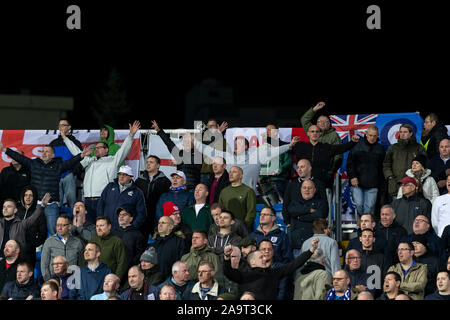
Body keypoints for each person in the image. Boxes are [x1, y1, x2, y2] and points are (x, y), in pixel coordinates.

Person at [0, 141, 90, 235]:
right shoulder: (34, 163)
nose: (44, 153)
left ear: (52, 155)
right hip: (35, 205)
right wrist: (4, 149)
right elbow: (19, 158)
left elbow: (70, 163)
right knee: (32, 230)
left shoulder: (58, 166)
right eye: (42, 151)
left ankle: (56, 248)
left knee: (54, 231)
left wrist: (81, 155)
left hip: (51, 205)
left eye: (47, 151)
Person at [61, 120, 141, 223]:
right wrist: (64, 138)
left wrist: (131, 135)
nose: (96, 149)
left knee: (103, 226)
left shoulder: (112, 161)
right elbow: (76, 151)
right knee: (90, 228)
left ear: (106, 150)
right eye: (96, 148)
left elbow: (124, 150)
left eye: (100, 148)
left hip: (103, 200)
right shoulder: (90, 161)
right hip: (88, 200)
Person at [223, 238, 319, 300]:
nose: (265, 259)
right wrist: (227, 257)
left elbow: (293, 265)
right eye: (261, 257)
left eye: (264, 257)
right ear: (252, 262)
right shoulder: (244, 275)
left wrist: (311, 251)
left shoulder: (274, 273)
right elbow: (228, 272)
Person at [290, 124, 360, 185]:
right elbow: (282, 148)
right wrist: (291, 145)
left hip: (321, 181)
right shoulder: (300, 146)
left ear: (320, 134)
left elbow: (341, 148)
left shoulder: (326, 147)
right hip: (303, 181)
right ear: (308, 133)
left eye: (317, 131)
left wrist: (352, 142)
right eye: (312, 131)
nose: (315, 133)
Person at [346, 124, 386, 216]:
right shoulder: (357, 146)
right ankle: (361, 224)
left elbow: (382, 167)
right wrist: (352, 177)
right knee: (358, 205)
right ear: (366, 134)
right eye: (370, 135)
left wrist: (381, 183)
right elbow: (350, 164)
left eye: (374, 136)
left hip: (373, 184)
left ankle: (367, 228)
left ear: (377, 136)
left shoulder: (380, 149)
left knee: (370, 207)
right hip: (357, 183)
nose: (372, 138)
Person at [151, 120, 202, 190]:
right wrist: (159, 130)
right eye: (185, 141)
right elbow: (169, 143)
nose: (186, 143)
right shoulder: (180, 154)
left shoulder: (199, 156)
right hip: (179, 188)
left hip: (192, 190)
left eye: (189, 141)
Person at [300, 101, 343, 185]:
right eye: (320, 121)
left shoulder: (334, 135)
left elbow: (338, 156)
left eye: (326, 121)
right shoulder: (313, 131)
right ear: (317, 123)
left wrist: (331, 171)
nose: (323, 123)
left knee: (325, 195)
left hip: (325, 172)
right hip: (310, 171)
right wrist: (314, 109)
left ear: (329, 124)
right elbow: (304, 120)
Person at [0, 193, 50, 263]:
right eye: (4, 207)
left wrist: (42, 206)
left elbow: (34, 217)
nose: (5, 209)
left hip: (16, 261)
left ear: (15, 210)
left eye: (9, 206)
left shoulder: (21, 224)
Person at [383, 123, 428, 199]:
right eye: (401, 132)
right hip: (396, 185)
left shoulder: (418, 148)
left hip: (413, 185)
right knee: (396, 209)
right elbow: (386, 164)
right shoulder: (393, 148)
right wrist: (390, 177)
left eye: (405, 132)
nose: (402, 134)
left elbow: (425, 164)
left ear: (410, 133)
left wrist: (418, 178)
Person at [97, 165, 147, 231]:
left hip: (124, 231)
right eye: (120, 174)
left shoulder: (137, 192)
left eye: (125, 175)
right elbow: (100, 205)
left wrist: (132, 227)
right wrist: (101, 222)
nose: (121, 177)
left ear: (130, 177)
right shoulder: (110, 187)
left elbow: (141, 213)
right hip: (107, 229)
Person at [286, 179, 328, 255]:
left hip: (315, 246)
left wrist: (301, 217)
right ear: (301, 189)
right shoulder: (294, 202)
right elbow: (291, 211)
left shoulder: (321, 202)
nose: (306, 190)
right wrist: (309, 210)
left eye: (309, 188)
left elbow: (320, 215)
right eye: (304, 187)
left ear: (314, 190)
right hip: (297, 246)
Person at [135, 155, 171, 240]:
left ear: (158, 165)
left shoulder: (165, 181)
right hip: (142, 218)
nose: (148, 164)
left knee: (157, 241)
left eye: (151, 162)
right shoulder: (139, 180)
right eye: (147, 162)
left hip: (157, 218)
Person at [50, 119, 84, 208]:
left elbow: (80, 159)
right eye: (60, 125)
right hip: (56, 176)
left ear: (69, 127)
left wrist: (74, 172)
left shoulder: (75, 143)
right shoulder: (53, 143)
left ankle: (73, 221)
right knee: (57, 202)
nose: (61, 127)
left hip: (70, 175)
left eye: (63, 125)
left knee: (72, 202)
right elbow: (49, 160)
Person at [282, 158, 327, 226]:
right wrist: (287, 223)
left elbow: (323, 209)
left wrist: (301, 217)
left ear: (309, 168)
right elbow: (286, 205)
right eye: (298, 167)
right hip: (295, 226)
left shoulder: (319, 184)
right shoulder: (292, 184)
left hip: (314, 226)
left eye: (302, 167)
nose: (299, 170)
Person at [40, 213, 84, 281]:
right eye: (57, 225)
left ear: (69, 226)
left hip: (73, 280)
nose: (59, 228)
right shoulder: (49, 242)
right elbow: (44, 265)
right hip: (54, 280)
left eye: (62, 225)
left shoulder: (78, 243)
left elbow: (82, 264)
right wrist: (49, 281)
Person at [15, 185, 47, 266]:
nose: (28, 197)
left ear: (34, 197)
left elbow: (43, 233)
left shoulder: (39, 213)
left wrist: (33, 244)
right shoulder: (16, 211)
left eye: (30, 195)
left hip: (29, 251)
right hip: (15, 248)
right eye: (26, 195)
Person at [258, 123, 293, 198]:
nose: (267, 131)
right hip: (263, 182)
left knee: (279, 206)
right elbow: (259, 164)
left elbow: (288, 162)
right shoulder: (262, 147)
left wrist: (280, 169)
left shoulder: (283, 145)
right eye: (266, 130)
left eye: (270, 130)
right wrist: (259, 176)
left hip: (277, 180)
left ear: (276, 132)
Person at [89, 216, 128, 281]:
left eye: (101, 225)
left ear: (109, 226)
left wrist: (115, 281)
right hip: (92, 280)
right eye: (97, 226)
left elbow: (122, 264)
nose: (98, 228)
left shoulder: (117, 242)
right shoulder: (92, 241)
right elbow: (85, 261)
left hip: (108, 282)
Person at [199, 119, 228, 185]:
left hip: (217, 173)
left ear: (218, 126)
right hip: (205, 173)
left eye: (212, 126)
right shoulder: (204, 139)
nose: (209, 128)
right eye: (208, 126)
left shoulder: (224, 141)